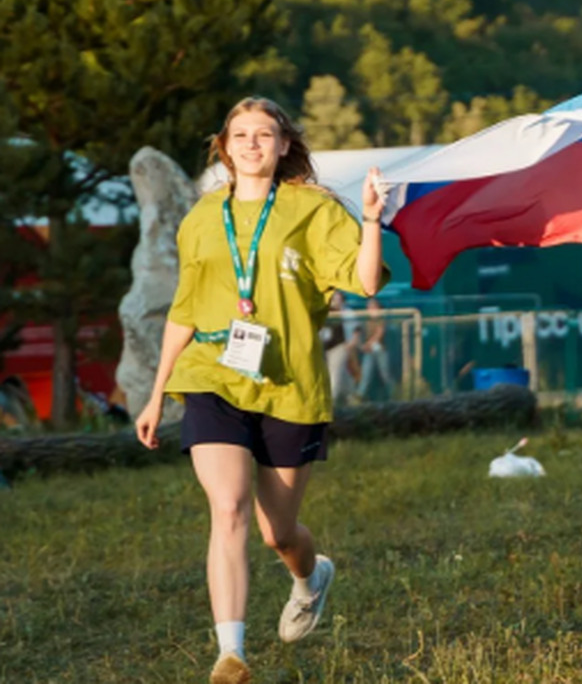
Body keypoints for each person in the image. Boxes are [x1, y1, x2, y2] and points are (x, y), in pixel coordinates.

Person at [134, 97, 390, 683]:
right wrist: (156, 392)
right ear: (224, 147)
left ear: (283, 146)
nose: (252, 144)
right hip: (211, 376)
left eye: (265, 134)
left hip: (290, 386)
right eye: (240, 134)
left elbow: (366, 279)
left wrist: (372, 219)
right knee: (227, 508)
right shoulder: (202, 217)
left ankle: (309, 577)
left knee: (278, 532)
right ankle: (232, 656)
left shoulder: (314, 211)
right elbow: (185, 309)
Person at [356, 297, 397, 401]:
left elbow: (380, 333)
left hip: (381, 350)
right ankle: (360, 396)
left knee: (385, 374)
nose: (371, 309)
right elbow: (360, 334)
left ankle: (395, 395)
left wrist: (368, 344)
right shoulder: (365, 320)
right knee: (366, 374)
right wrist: (363, 345)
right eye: (369, 307)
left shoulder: (382, 319)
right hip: (370, 351)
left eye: (373, 306)